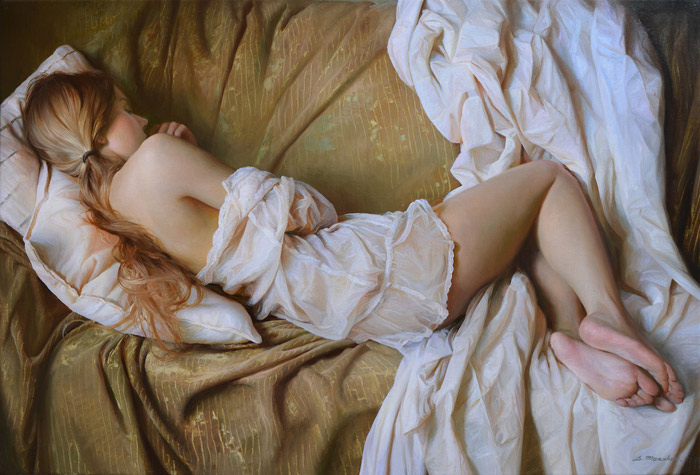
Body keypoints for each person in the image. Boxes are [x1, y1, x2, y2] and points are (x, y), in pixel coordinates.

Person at [22, 70, 684, 412]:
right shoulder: (156, 160)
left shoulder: (113, 216)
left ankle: (568, 337)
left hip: (341, 307)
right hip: (370, 270)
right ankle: (608, 317)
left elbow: (221, 239)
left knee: (522, 225)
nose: (137, 114)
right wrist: (179, 154)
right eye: (120, 109)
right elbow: (306, 210)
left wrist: (184, 156)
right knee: (549, 178)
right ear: (95, 127)